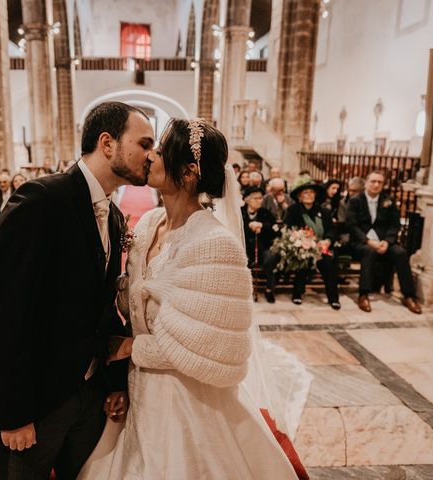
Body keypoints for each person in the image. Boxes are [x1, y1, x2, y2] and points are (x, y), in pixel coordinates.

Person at [0, 101, 156, 480]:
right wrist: (13, 414)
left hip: (90, 398)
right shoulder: (40, 200)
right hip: (37, 403)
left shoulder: (114, 215)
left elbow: (103, 308)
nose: (151, 155)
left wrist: (115, 380)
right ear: (107, 144)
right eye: (144, 143)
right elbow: (4, 315)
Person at [78, 119, 300, 479]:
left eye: (161, 151)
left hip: (186, 401)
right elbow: (133, 306)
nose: (150, 157)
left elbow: (206, 346)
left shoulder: (214, 244)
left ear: (189, 172)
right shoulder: (149, 224)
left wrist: (130, 347)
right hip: (141, 391)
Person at [345, 170, 421, 314]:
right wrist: (368, 241)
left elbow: (394, 225)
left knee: (400, 253)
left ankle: (409, 296)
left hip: (383, 243)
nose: (376, 185)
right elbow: (352, 226)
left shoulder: (388, 201)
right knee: (369, 251)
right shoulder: (355, 201)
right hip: (360, 243)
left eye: (379, 182)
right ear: (366, 183)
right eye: (373, 181)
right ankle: (363, 294)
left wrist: (387, 241)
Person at [283, 180, 340, 309]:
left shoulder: (323, 211)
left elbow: (332, 229)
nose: (309, 195)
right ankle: (297, 293)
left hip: (322, 247)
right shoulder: (294, 210)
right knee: (304, 259)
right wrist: (303, 240)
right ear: (299, 196)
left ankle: (333, 298)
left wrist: (328, 240)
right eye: (305, 192)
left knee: (329, 262)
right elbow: (290, 228)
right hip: (302, 246)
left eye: (311, 192)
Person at [241, 186, 279, 303]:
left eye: (260, 198)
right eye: (255, 198)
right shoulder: (239, 212)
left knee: (271, 258)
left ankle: (269, 289)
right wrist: (249, 225)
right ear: (247, 200)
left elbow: (276, 230)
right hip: (243, 248)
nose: (259, 200)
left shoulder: (265, 213)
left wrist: (262, 226)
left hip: (262, 248)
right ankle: (243, 291)